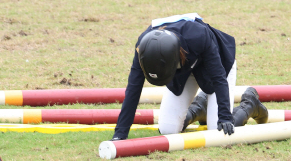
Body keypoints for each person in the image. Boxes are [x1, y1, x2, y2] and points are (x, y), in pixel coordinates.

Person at [112, 13, 268, 141]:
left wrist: (225, 117)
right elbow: (133, 89)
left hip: (217, 65)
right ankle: (200, 107)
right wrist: (120, 133)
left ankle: (250, 104)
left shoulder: (199, 36)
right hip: (182, 70)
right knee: (168, 129)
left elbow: (218, 77)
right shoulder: (144, 48)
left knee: (218, 131)